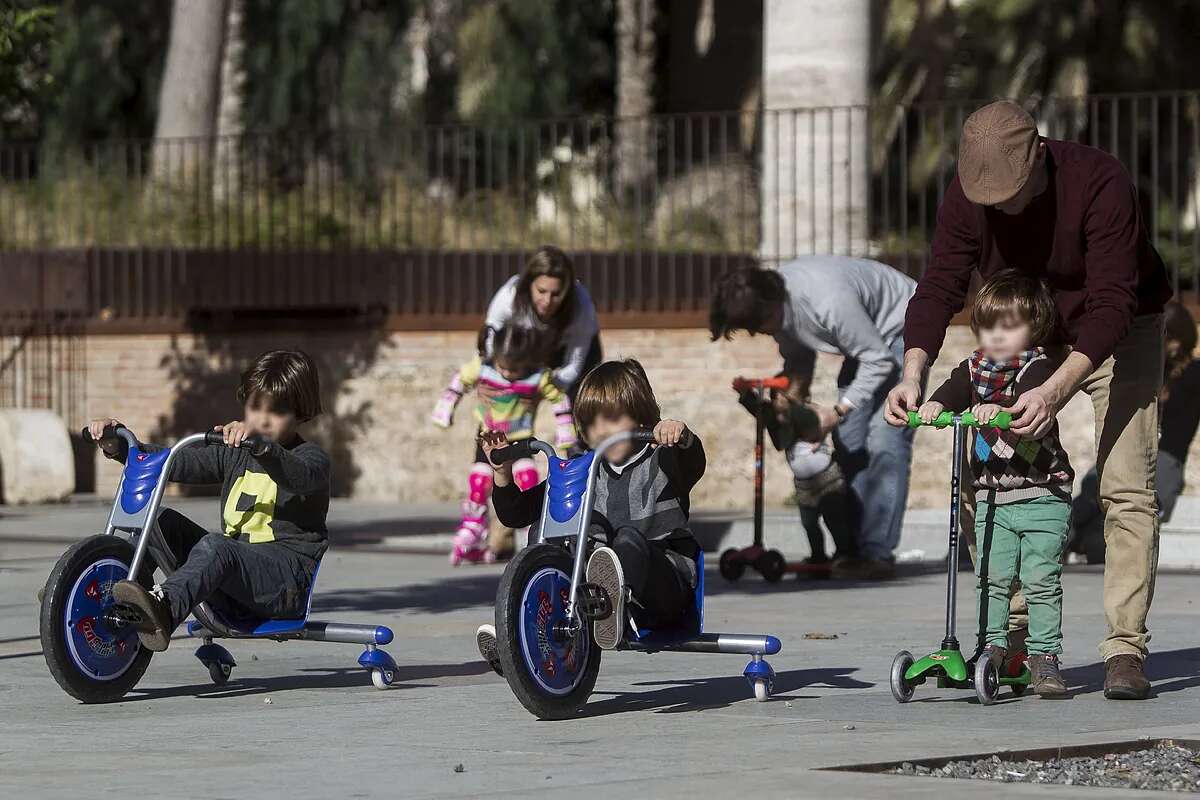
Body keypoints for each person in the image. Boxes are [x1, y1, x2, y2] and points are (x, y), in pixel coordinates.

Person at [885, 100, 1172, 700]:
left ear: (1040, 153)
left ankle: (1125, 650)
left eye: (1010, 193)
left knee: (1125, 487)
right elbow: (938, 286)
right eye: (986, 195)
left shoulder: (1100, 180)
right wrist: (913, 372)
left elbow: (1115, 299)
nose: (999, 207)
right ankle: (1014, 638)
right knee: (985, 478)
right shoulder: (967, 196)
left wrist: (1053, 388)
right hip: (1019, 332)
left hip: (1119, 330)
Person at [475, 359, 705, 673]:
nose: (601, 430)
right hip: (588, 603)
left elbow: (692, 460)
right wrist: (502, 472)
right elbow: (515, 514)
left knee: (626, 542)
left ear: (639, 417)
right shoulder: (580, 473)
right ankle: (519, 636)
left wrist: (679, 435)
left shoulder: (664, 460)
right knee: (543, 533)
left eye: (611, 419)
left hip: (662, 594)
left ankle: (611, 608)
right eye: (591, 421)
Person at [94, 350, 330, 652]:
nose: (262, 419)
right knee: (158, 520)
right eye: (255, 406)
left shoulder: (311, 459)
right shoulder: (235, 453)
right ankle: (101, 593)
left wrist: (262, 447)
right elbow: (175, 462)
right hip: (234, 584)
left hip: (283, 586)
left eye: (278, 411)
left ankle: (162, 612)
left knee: (217, 546)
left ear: (300, 413)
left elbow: (299, 477)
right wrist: (122, 447)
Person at [710, 256, 917, 580]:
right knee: (848, 437)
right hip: (868, 341)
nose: (761, 333)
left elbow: (878, 361)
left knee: (884, 439)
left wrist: (836, 412)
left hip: (904, 326)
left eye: (758, 325)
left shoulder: (828, 302)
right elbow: (799, 358)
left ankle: (876, 554)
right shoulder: (779, 306)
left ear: (769, 306)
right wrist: (786, 397)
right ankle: (854, 549)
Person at [918, 272, 1074, 697]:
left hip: (1042, 494)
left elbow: (1025, 395)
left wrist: (995, 407)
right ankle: (993, 649)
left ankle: (1044, 657)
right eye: (989, 326)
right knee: (991, 578)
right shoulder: (973, 367)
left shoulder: (1038, 367)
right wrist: (935, 404)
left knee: (1040, 579)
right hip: (991, 496)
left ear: (1034, 327)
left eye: (1010, 327)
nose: (997, 336)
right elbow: (954, 390)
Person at [432, 324, 576, 564]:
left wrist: (565, 432)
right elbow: (459, 381)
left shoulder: (537, 377)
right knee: (479, 482)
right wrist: (445, 407)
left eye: (515, 369)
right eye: (503, 367)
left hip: (520, 439)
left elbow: (558, 397)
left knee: (528, 478)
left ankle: (530, 532)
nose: (508, 374)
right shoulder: (483, 369)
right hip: (488, 438)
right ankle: (473, 527)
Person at [1071, 302, 1200, 562]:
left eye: (1167, 337)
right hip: (1129, 446)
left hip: (1165, 458)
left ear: (1178, 339)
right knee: (1086, 499)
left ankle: (1087, 545)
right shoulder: (1146, 366)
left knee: (1123, 524)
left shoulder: (1194, 372)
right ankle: (1068, 541)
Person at [735, 380, 856, 573]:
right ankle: (818, 556)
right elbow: (761, 412)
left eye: (783, 396)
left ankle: (844, 554)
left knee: (833, 517)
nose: (778, 401)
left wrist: (789, 406)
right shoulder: (776, 420)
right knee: (809, 522)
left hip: (827, 478)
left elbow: (806, 420)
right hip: (804, 484)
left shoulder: (805, 413)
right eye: (775, 397)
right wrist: (746, 394)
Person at [483, 245, 602, 405]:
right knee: (496, 400)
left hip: (568, 350)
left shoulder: (581, 306)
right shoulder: (508, 298)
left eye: (556, 294)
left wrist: (543, 390)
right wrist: (489, 378)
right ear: (529, 284)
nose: (547, 301)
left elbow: (574, 365)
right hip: (524, 347)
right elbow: (490, 343)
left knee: (583, 403)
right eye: (541, 291)